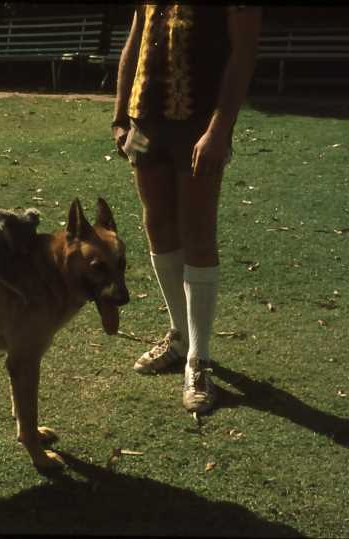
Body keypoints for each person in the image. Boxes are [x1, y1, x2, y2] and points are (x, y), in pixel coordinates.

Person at [111, 4, 262, 414]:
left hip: (199, 123)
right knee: (158, 225)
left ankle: (199, 358)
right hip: (146, 120)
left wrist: (219, 130)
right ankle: (179, 336)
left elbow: (243, 53)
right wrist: (120, 117)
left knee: (197, 232)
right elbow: (135, 39)